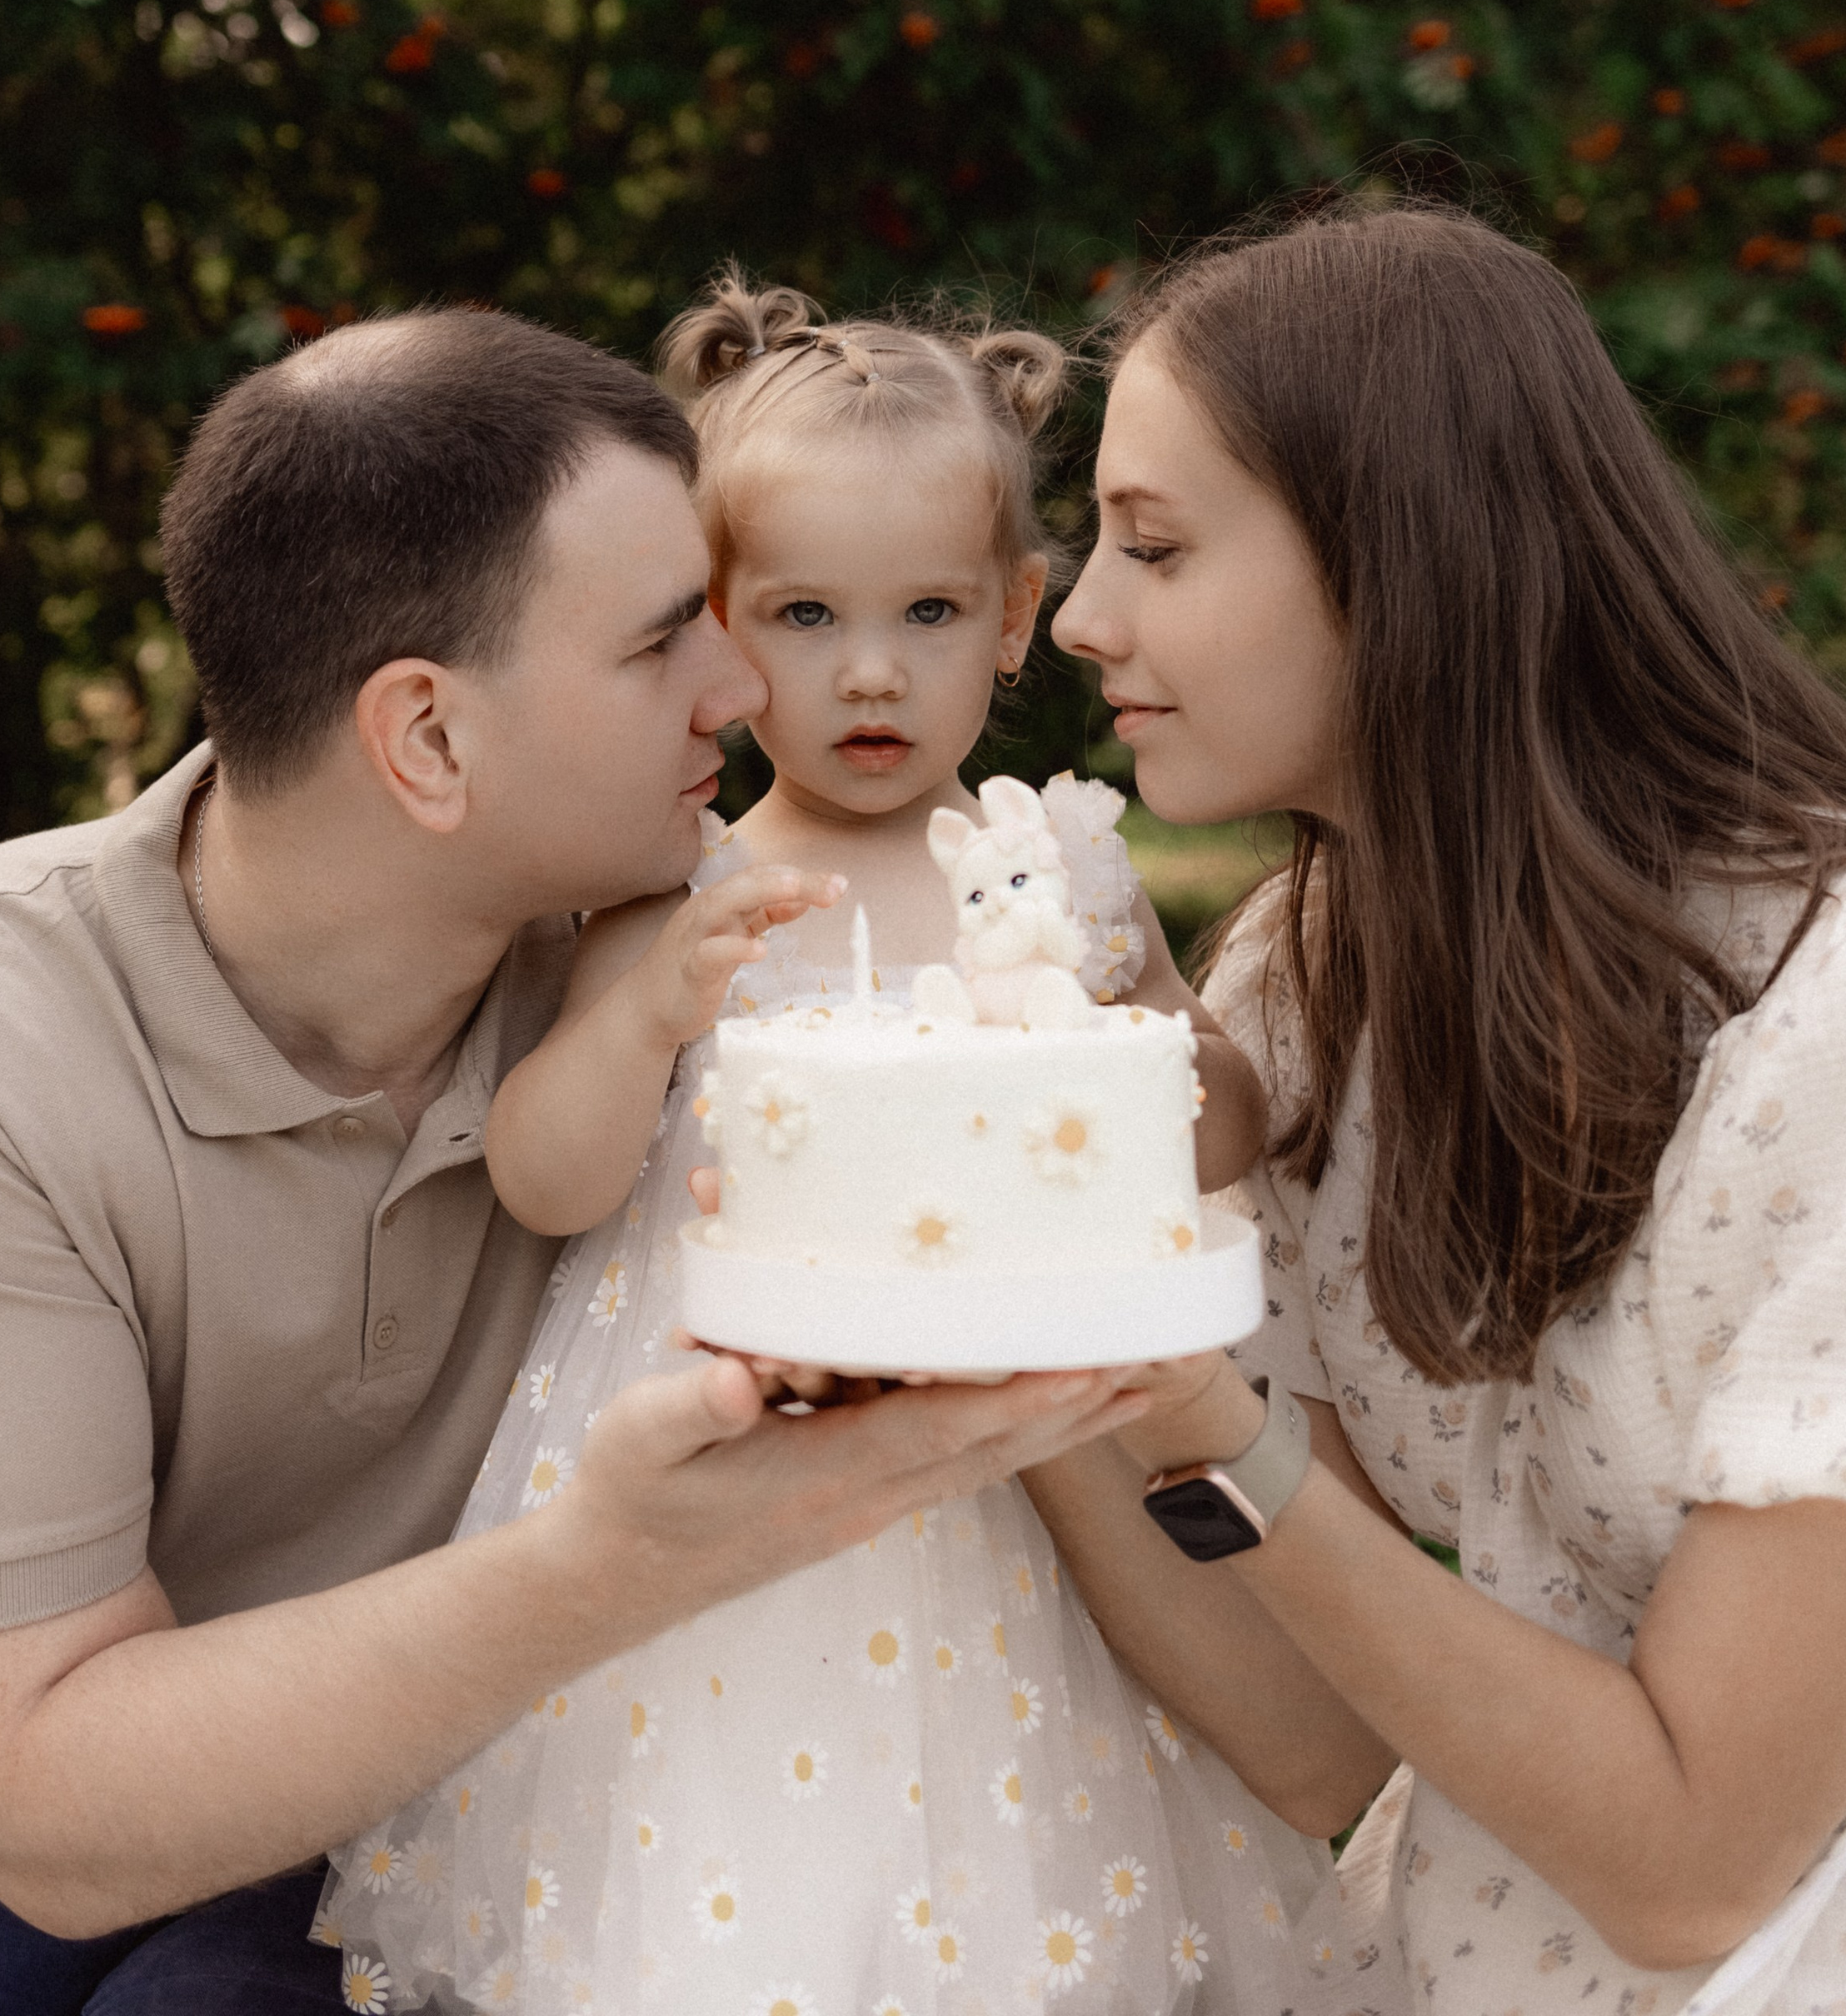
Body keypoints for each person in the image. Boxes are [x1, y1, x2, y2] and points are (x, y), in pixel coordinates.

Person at [0, 306, 1150, 2016]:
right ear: (426, 739)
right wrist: (617, 1559)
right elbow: (41, 1802)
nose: (741, 692)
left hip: (461, 1792)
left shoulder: (723, 974)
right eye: (666, 641)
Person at [320, 278, 1323, 2015]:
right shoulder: (679, 890)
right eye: (801, 614)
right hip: (730, 1484)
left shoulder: (1057, 875)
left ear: (1014, 618)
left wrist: (1117, 1042)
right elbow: (547, 1180)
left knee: (1006, 1858)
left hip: (1017, 1494)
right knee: (740, 1881)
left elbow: (1222, 1118)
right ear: (717, 629)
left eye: (929, 610)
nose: (870, 670)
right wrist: (646, 1018)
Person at [1022, 202, 1846, 2016]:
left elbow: (1694, 1865)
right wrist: (1008, 1298)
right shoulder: (1301, 986)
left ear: (1399, 557)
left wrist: (1197, 1410)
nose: (1081, 618)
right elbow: (1316, 1733)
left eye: (1154, 545)